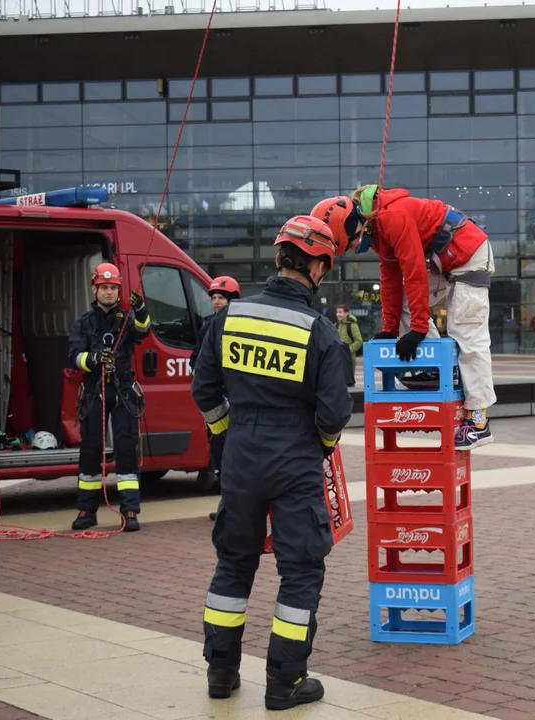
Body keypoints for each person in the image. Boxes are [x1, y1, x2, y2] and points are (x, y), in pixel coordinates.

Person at [190, 215, 353, 711]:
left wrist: (226, 439)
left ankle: (221, 674)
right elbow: (333, 415)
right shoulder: (322, 333)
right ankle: (285, 682)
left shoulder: (229, 317)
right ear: (320, 267)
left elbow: (204, 391)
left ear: (280, 258)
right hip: (295, 456)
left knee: (233, 563)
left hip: (241, 453)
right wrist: (319, 447)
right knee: (300, 569)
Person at [311, 187, 495, 451]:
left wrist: (418, 329)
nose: (353, 250)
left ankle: (478, 421)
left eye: (349, 244)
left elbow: (414, 271)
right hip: (443, 258)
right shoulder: (376, 231)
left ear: (355, 228)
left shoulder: (391, 217)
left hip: (468, 253)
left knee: (467, 331)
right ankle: (436, 371)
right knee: (405, 305)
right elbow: (390, 277)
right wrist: (389, 327)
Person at [67, 262, 150, 532]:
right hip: (94, 391)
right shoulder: (83, 322)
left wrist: (140, 310)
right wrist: (92, 358)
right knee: (90, 450)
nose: (109, 292)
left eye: (113, 288)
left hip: (123, 390)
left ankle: (129, 510)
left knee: (127, 449)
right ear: (95, 289)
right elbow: (73, 357)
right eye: (104, 288)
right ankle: (86, 510)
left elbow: (143, 331)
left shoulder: (126, 319)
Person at [192, 277, 241, 523]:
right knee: (222, 456)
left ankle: (244, 507)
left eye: (221, 297)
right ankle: (228, 506)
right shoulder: (207, 328)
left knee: (241, 457)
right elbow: (196, 361)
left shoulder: (243, 326)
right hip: (218, 402)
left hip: (240, 401)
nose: (217, 301)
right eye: (214, 297)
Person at [335, 304, 363, 387]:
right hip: (340, 357)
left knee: (348, 382)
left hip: (349, 358)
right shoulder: (339, 324)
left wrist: (348, 351)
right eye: (337, 312)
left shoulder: (352, 325)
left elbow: (359, 341)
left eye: (340, 312)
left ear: (346, 313)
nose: (338, 314)